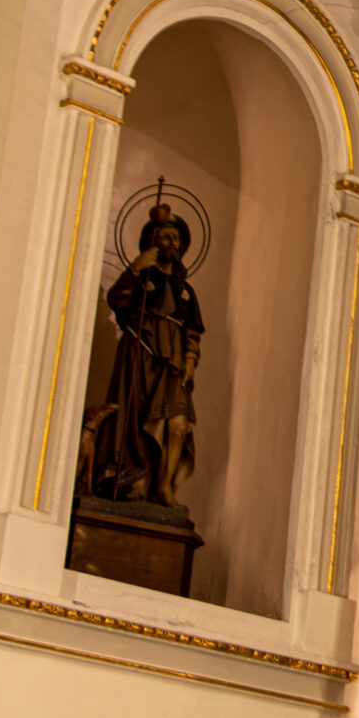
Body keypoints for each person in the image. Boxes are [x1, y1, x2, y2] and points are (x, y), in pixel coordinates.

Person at [91, 204, 205, 509]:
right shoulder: (141, 277)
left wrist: (191, 362)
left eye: (175, 239)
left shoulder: (185, 291)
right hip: (141, 353)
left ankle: (164, 487)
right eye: (164, 237)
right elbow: (117, 301)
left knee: (178, 426)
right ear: (153, 242)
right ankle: (136, 480)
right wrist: (135, 269)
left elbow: (192, 332)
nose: (171, 244)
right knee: (138, 420)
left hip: (175, 363)